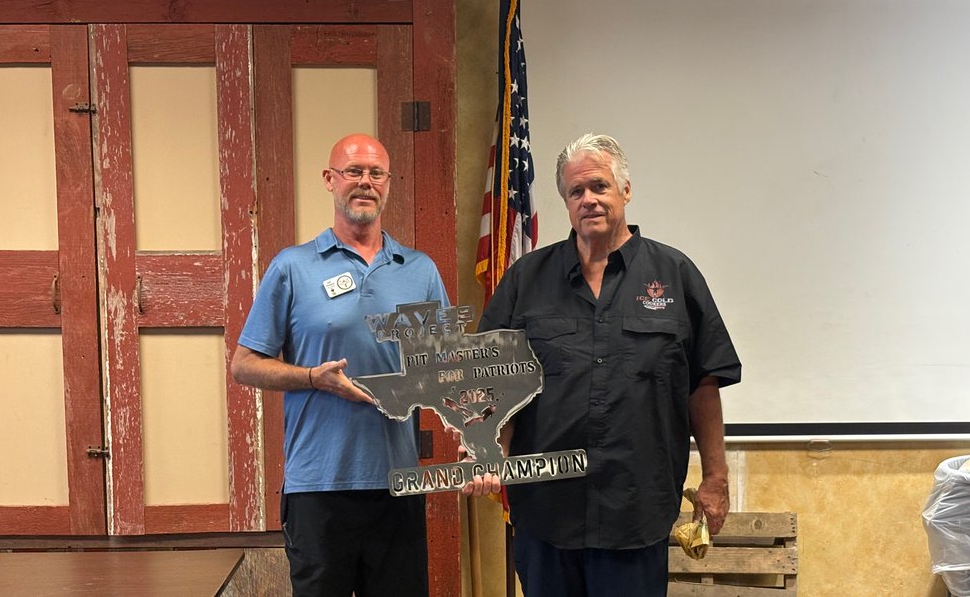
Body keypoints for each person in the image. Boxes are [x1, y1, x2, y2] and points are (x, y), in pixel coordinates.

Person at [469, 133, 742, 596]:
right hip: (546, 512)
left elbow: (703, 383)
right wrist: (485, 446)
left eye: (599, 186)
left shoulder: (675, 275)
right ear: (565, 201)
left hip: (635, 513)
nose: (589, 200)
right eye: (576, 192)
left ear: (626, 191)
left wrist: (715, 478)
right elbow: (493, 384)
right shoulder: (527, 279)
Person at [231, 133, 447, 597]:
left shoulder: (420, 270)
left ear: (388, 184)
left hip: (398, 485)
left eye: (376, 173)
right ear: (330, 180)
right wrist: (312, 378)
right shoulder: (292, 267)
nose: (364, 182)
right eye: (353, 172)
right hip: (318, 487)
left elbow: (445, 367)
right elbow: (244, 365)